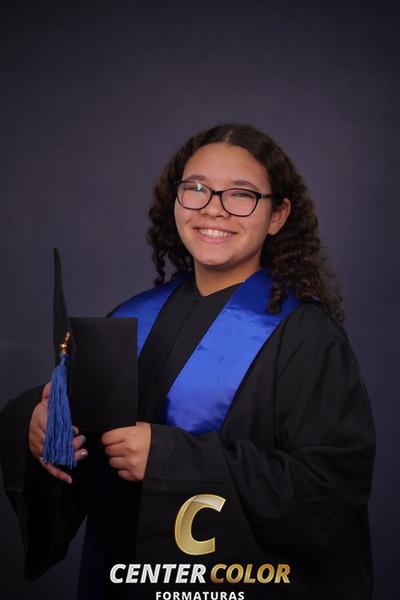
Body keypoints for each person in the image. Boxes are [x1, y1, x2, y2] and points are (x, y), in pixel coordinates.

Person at [0, 123, 376, 599]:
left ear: (278, 215)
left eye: (241, 194)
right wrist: (41, 427)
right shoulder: (132, 318)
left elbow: (327, 491)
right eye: (196, 188)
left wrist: (169, 460)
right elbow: (81, 462)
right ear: (176, 200)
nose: (213, 208)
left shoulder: (306, 338)